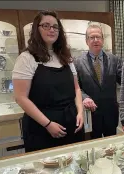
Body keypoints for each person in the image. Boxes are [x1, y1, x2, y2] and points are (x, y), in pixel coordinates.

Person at [12, 10, 84, 152]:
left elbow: (76, 88)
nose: (51, 30)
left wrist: (80, 112)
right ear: (36, 29)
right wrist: (48, 124)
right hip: (42, 128)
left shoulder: (65, 57)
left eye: (55, 27)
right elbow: (20, 97)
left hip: (71, 123)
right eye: (46, 25)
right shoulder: (27, 58)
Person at [74, 24, 122, 139]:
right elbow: (75, 87)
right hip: (90, 113)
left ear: (102, 40)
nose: (95, 40)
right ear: (86, 41)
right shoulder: (77, 62)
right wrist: (85, 97)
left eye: (98, 37)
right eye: (92, 37)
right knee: (93, 147)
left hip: (110, 112)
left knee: (112, 146)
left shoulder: (114, 60)